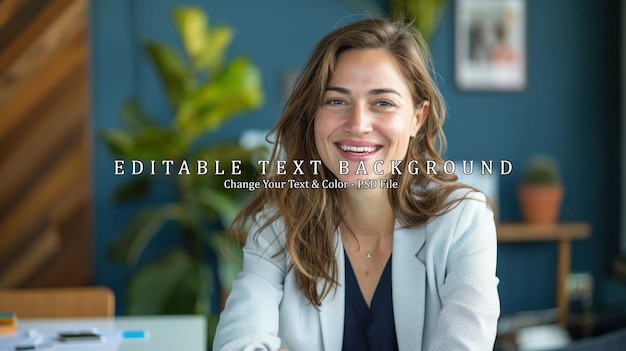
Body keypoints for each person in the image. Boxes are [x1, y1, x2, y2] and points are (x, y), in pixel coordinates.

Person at [213, 17, 500, 351]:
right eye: (337, 101)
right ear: (313, 115)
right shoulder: (277, 225)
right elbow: (238, 343)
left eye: (383, 103)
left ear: (417, 119)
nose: (359, 124)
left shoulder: (463, 221)